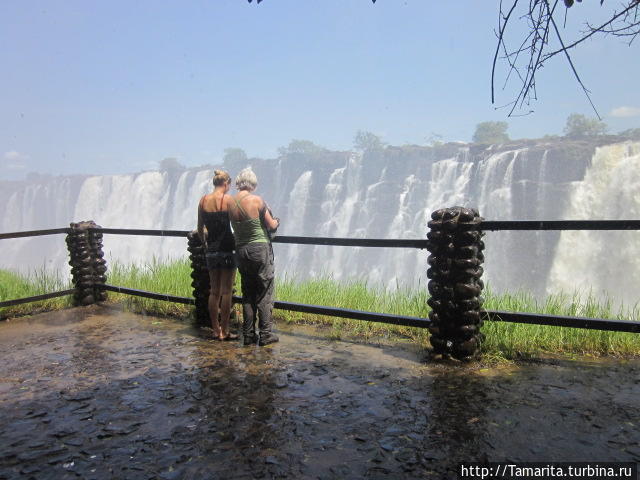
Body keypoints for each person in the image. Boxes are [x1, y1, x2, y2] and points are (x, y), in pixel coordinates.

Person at [228, 168, 280, 346]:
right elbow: (271, 225)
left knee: (248, 293)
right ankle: (265, 334)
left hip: (241, 250)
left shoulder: (230, 202)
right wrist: (277, 220)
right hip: (259, 249)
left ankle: (249, 334)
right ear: (253, 183)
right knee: (265, 291)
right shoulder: (257, 200)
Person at [197, 170, 238, 341]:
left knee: (214, 292)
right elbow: (236, 223)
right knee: (227, 292)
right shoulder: (228, 200)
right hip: (228, 248)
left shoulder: (203, 200)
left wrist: (205, 243)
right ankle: (225, 330)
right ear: (226, 184)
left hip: (211, 249)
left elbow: (200, 227)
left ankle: (215, 330)